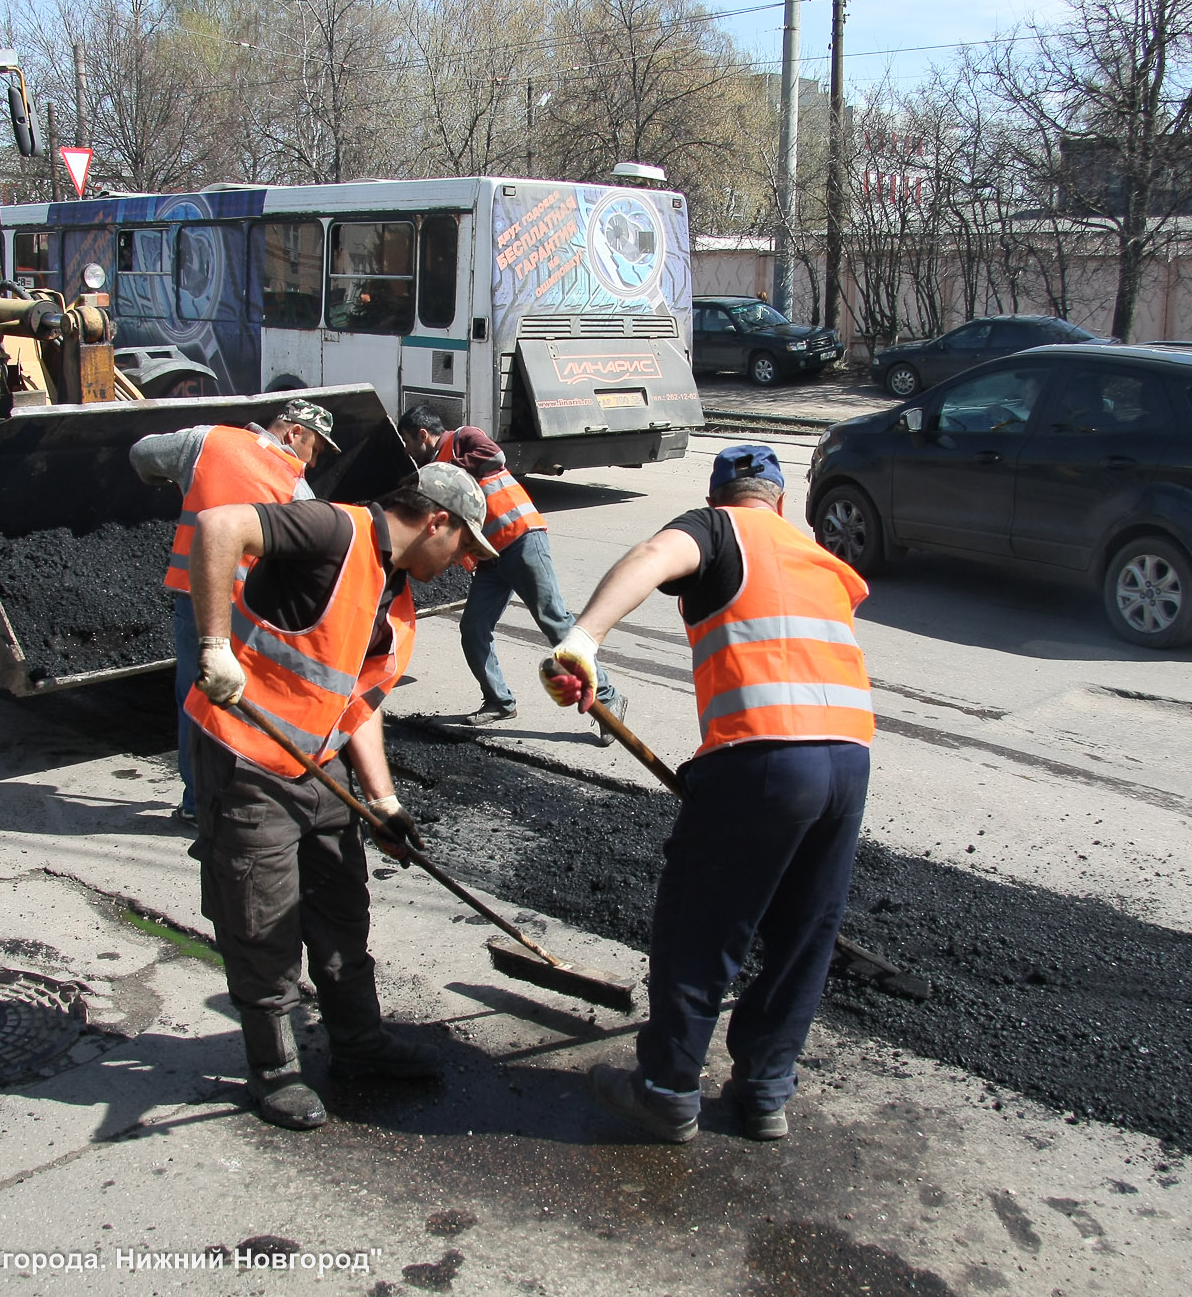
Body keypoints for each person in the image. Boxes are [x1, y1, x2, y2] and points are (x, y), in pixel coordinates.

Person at [540, 444, 873, 1143]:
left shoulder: (717, 528)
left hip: (762, 755)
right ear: (781, 499)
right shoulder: (820, 559)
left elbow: (653, 555)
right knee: (801, 934)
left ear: (720, 495)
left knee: (701, 926)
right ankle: (763, 1091)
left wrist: (582, 640)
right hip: (847, 761)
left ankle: (665, 1088)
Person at [186, 462, 498, 1130]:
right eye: (465, 546)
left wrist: (382, 800)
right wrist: (214, 645)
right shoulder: (334, 528)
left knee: (340, 908)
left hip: (319, 766)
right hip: (248, 761)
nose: (467, 561)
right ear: (435, 520)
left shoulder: (398, 596)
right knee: (260, 920)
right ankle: (274, 1073)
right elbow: (219, 524)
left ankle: (358, 1043)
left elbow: (357, 703)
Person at [130, 401, 338, 826]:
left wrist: (163, 481)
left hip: (196, 598)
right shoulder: (296, 488)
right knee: (245, 701)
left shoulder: (205, 441)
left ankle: (196, 801)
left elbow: (142, 454)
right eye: (314, 449)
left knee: (196, 696)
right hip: (253, 607)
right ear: (294, 433)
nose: (312, 462)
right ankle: (241, 795)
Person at [396, 404, 626, 741]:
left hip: (521, 538)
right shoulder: (432, 470)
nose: (407, 451)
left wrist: (444, 470)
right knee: (473, 627)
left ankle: (608, 700)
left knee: (554, 622)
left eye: (407, 442)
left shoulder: (463, 438)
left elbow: (494, 456)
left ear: (422, 435)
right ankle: (499, 700)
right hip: (491, 559)